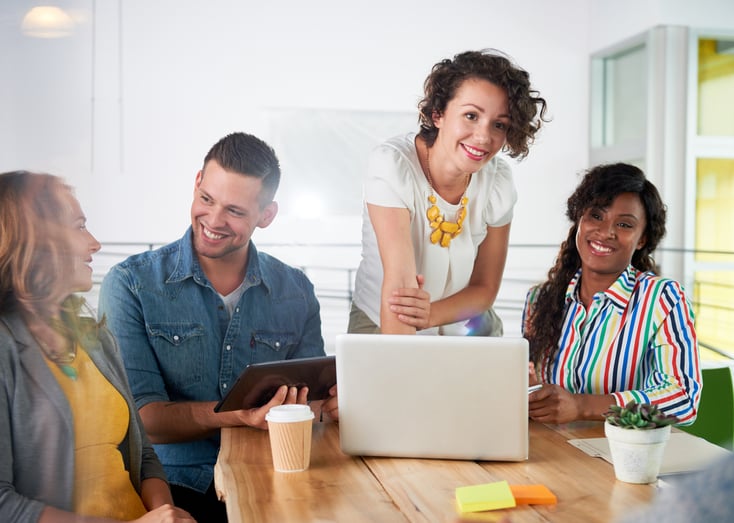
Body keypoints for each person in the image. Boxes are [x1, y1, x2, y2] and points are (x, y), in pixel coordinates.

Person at [98, 132, 337, 523]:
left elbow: (309, 402)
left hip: (276, 478)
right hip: (175, 489)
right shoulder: (130, 284)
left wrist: (330, 407)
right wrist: (235, 416)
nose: (213, 221)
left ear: (267, 216)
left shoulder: (296, 290)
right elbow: (144, 419)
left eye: (235, 212)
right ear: (196, 182)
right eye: (206, 199)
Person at [0, 171, 194, 522]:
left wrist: (166, 513)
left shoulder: (96, 339)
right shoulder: (5, 349)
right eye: (78, 227)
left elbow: (143, 455)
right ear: (35, 240)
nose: (95, 243)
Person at [348, 49, 548, 335]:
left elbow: (485, 288)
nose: (483, 136)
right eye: (470, 116)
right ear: (438, 113)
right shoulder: (392, 164)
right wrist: (397, 372)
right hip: (386, 317)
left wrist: (431, 316)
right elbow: (400, 292)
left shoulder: (498, 180)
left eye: (499, 124)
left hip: (465, 318)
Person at [522, 163, 702, 425]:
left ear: (641, 239)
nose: (606, 232)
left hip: (624, 455)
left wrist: (583, 405)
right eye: (596, 216)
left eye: (624, 224)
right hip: (552, 452)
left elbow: (682, 399)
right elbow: (535, 388)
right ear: (579, 220)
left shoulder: (663, 299)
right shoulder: (540, 299)